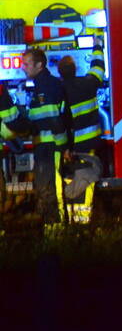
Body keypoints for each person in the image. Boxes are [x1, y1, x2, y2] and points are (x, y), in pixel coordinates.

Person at [7, 48, 68, 227]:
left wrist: (62, 148)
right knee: (45, 188)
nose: (23, 68)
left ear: (39, 65)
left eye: (26, 64)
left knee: (51, 189)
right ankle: (52, 230)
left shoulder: (47, 86)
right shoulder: (42, 85)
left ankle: (57, 232)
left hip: (51, 147)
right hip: (45, 146)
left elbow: (55, 119)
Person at [57, 44, 106, 224]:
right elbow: (98, 69)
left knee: (74, 181)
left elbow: (63, 122)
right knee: (86, 180)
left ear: (59, 73)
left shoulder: (60, 91)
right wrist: (98, 47)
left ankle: (77, 221)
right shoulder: (88, 83)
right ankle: (82, 220)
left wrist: (65, 147)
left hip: (73, 146)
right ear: (75, 69)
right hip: (91, 143)